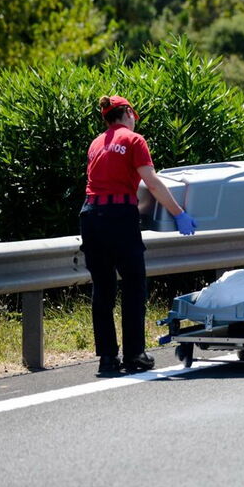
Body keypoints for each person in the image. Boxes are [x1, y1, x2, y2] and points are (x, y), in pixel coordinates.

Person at [81, 95, 197, 375]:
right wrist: (178, 213)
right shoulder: (134, 140)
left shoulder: (96, 143)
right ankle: (134, 355)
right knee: (133, 286)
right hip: (119, 216)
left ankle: (107, 358)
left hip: (90, 215)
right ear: (129, 113)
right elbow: (152, 182)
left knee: (103, 289)